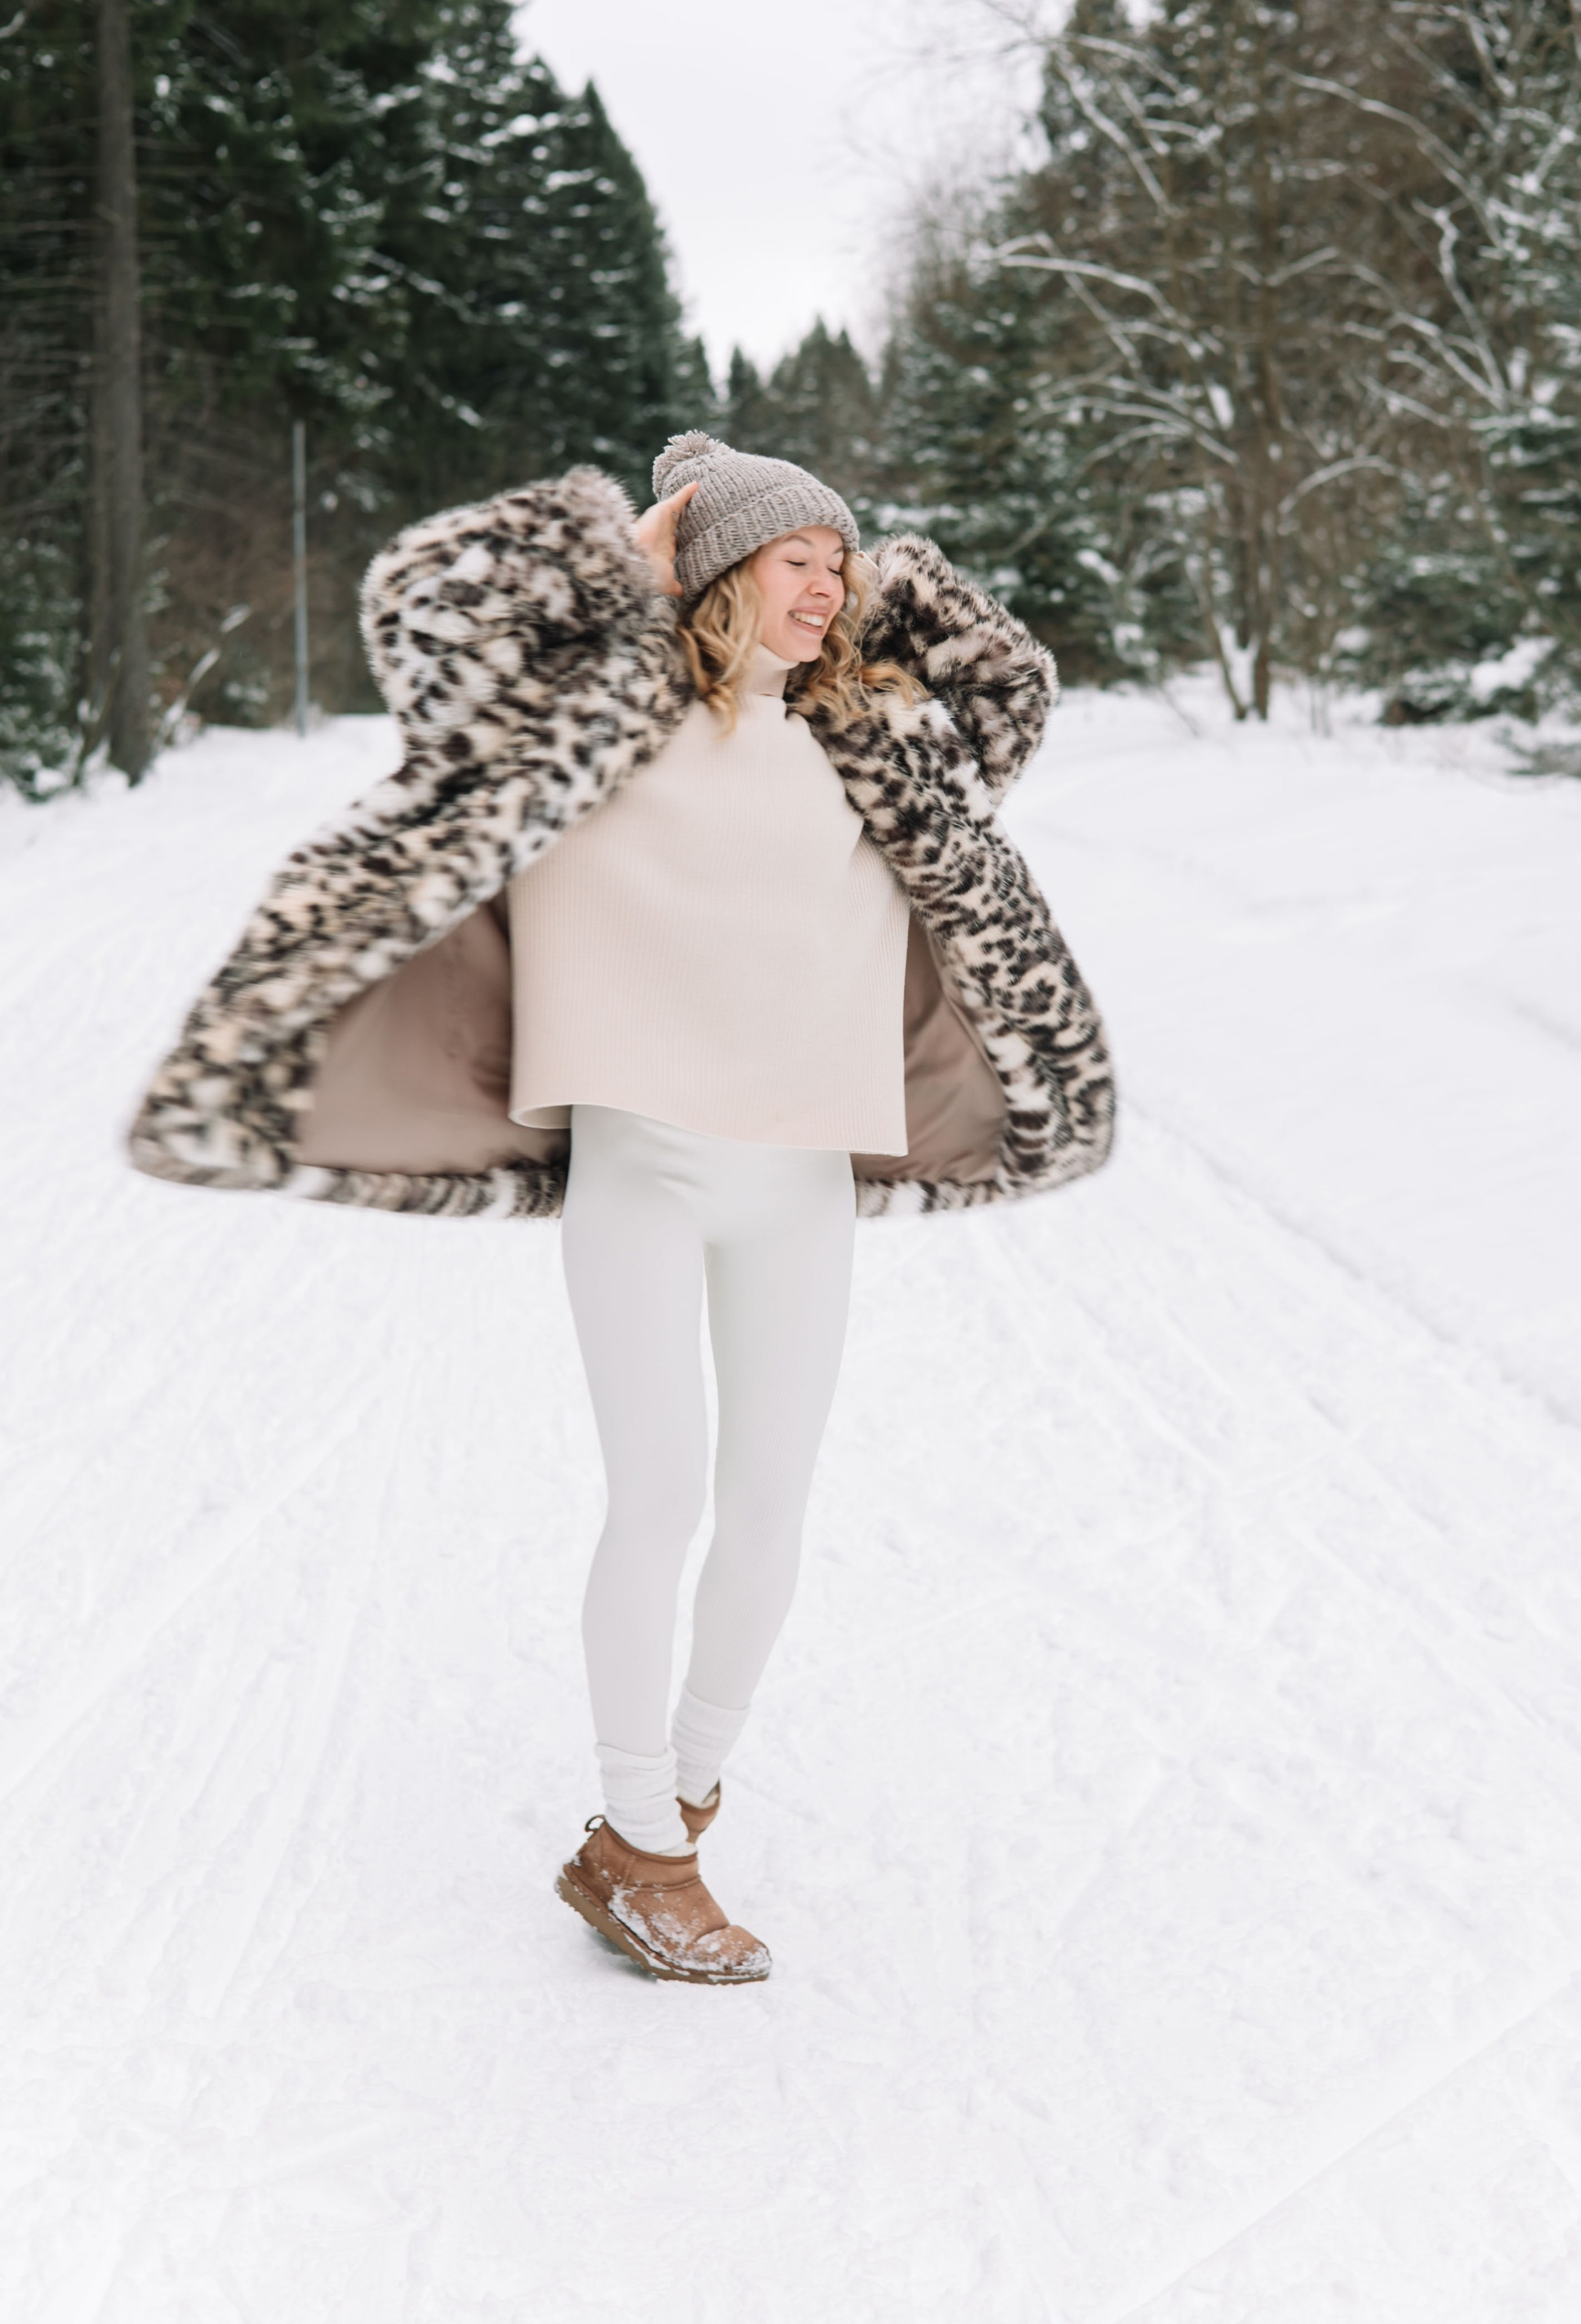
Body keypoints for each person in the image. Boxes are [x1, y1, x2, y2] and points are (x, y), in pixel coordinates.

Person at [129, 432, 1114, 1985]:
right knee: (656, 1496)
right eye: (797, 559)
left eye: (841, 563)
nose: (830, 585)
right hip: (638, 1164)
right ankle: (641, 1844)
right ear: (718, 572)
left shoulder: (874, 739)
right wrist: (636, 549)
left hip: (797, 1173)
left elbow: (1012, 685)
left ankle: (676, 1805)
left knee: (771, 1510)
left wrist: (873, 577)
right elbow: (423, 603)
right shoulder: (587, 721)